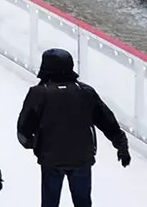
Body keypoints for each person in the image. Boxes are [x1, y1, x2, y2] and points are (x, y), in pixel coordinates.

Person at [16, 47, 131, 207]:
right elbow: (107, 121)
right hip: (81, 158)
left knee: (50, 202)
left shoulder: (39, 93)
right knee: (83, 202)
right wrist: (121, 145)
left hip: (51, 158)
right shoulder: (85, 92)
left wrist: (34, 144)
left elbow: (24, 128)